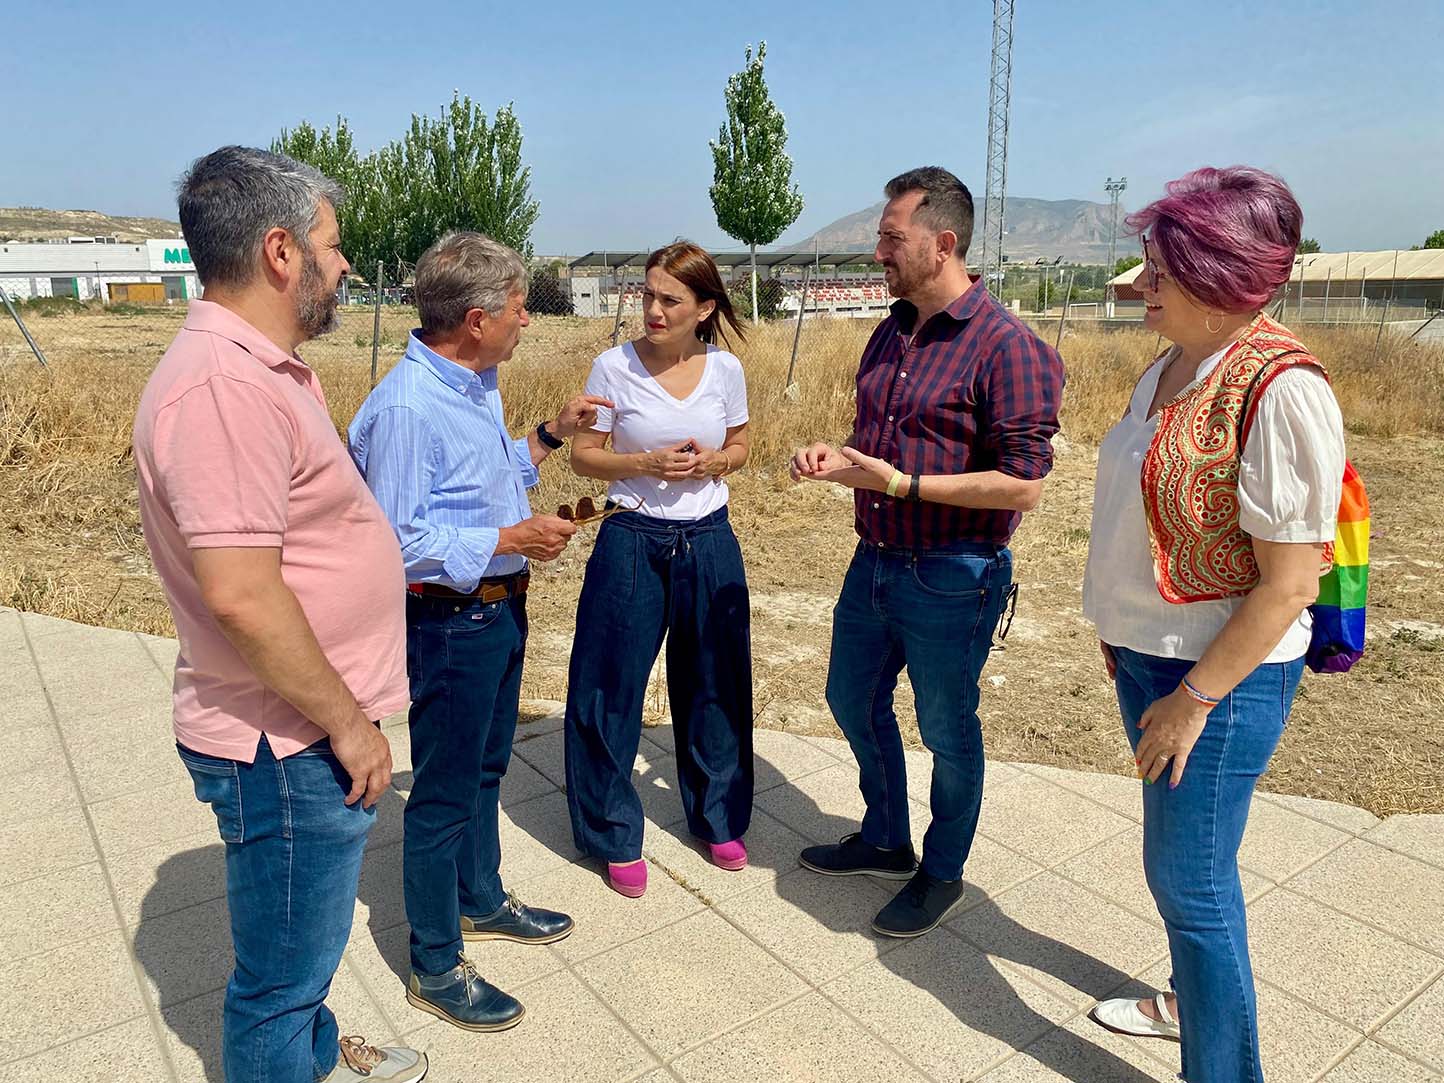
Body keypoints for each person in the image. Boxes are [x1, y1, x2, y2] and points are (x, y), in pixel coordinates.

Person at [132, 146, 427, 1082]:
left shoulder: (260, 368)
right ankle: (289, 1048)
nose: (344, 265)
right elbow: (244, 594)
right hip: (286, 740)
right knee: (278, 984)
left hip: (295, 728)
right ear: (280, 251)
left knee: (304, 951)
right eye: (332, 245)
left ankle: (314, 1051)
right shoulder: (223, 388)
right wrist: (348, 723)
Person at [1084, 167, 1344, 1082]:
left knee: (1190, 881)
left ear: (1221, 276)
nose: (1142, 283)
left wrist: (1192, 699)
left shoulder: (1281, 389)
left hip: (1214, 681)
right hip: (1151, 659)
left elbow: (1289, 583)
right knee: (1192, 867)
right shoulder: (1173, 364)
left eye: (1163, 268)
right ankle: (1184, 1000)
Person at [791, 167, 1065, 938]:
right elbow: (882, 446)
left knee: (946, 729)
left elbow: (1024, 486)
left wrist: (903, 484)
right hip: (874, 559)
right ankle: (885, 837)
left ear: (943, 244)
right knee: (850, 697)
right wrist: (839, 458)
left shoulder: (1009, 347)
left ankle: (942, 870)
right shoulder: (892, 330)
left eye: (891, 237)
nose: (878, 250)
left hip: (954, 575)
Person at [349, 231, 607, 1032]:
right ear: (475, 319)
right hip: (449, 622)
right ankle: (435, 961)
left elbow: (484, 481)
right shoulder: (406, 408)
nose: (527, 320)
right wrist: (510, 537)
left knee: (486, 769)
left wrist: (551, 435)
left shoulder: (473, 383)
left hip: (498, 609)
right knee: (442, 795)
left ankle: (480, 897)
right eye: (519, 308)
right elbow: (397, 542)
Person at [563, 241, 753, 898]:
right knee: (609, 686)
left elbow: (741, 445)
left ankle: (718, 815)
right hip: (631, 537)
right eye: (647, 294)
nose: (653, 309)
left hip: (709, 538)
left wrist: (714, 463)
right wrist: (643, 463)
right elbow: (584, 456)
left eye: (670, 299)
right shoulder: (612, 367)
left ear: (704, 308)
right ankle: (612, 829)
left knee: (715, 685)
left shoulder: (725, 370)